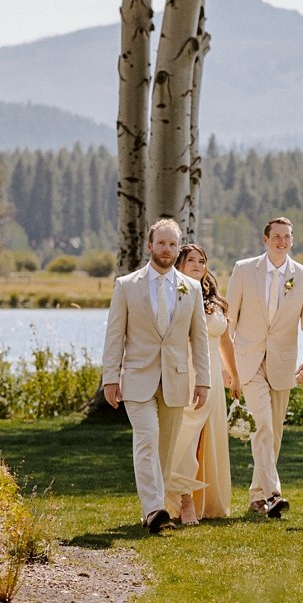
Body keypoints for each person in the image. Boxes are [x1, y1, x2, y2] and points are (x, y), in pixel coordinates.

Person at [101, 219, 211, 534]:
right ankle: (154, 509)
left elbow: (199, 339)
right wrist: (111, 377)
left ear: (178, 249)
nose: (166, 249)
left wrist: (203, 380)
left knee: (165, 449)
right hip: (137, 377)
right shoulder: (126, 285)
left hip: (176, 379)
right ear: (150, 246)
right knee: (146, 438)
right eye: (161, 243)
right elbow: (114, 335)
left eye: (172, 244)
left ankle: (154, 510)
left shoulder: (190, 288)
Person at [225, 217, 303, 518]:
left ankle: (257, 498)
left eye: (287, 237)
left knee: (273, 434)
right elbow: (229, 320)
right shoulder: (244, 270)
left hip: (282, 365)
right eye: (276, 236)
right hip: (247, 360)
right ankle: (274, 494)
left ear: (292, 240)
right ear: (265, 239)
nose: (282, 241)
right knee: (263, 425)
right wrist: (228, 368)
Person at [167, 244, 238, 524]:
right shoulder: (174, 296)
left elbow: (224, 341)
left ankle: (206, 502)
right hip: (186, 373)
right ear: (179, 265)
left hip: (213, 378)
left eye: (202, 260)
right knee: (185, 438)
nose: (197, 265)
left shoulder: (214, 300)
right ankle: (182, 500)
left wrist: (234, 375)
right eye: (191, 260)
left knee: (209, 440)